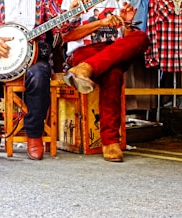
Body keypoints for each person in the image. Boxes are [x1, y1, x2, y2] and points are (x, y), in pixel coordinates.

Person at [0, 0, 78, 160]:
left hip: (34, 56)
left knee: (39, 75)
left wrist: (72, 14)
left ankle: (34, 135)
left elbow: (62, 27)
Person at [61, 0, 149, 162]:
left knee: (141, 37)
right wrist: (101, 22)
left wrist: (127, 23)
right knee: (114, 73)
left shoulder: (119, 1)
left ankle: (87, 68)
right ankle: (110, 141)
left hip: (112, 51)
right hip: (84, 52)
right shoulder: (73, 2)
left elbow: (127, 41)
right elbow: (67, 36)